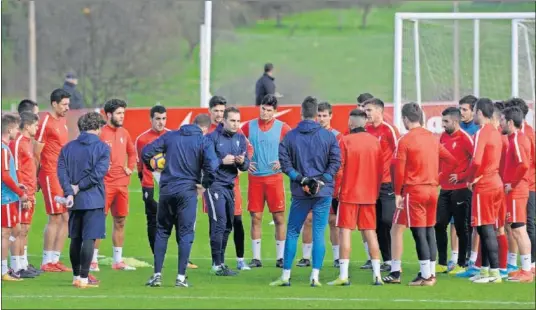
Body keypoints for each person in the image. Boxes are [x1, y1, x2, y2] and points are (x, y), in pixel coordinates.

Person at [270, 96, 341, 287]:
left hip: (301, 191)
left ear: (301, 113)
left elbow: (284, 163)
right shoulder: (328, 136)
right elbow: (335, 162)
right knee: (319, 232)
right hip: (322, 192)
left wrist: (301, 179)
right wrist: (322, 180)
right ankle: (315, 276)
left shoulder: (290, 136)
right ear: (316, 115)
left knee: (293, 231)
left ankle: (285, 276)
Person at [142, 114, 218, 287]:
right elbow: (212, 165)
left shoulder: (171, 135)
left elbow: (146, 152)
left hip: (167, 190)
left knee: (162, 231)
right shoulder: (203, 141)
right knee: (185, 234)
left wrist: (153, 167)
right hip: (188, 191)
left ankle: (157, 275)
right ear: (204, 129)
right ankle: (181, 278)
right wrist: (205, 183)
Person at [392, 103, 456, 286]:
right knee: (429, 231)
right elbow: (451, 160)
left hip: (415, 190)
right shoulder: (433, 138)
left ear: (405, 119)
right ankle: (430, 273)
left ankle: (426, 277)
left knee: (418, 232)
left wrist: (397, 193)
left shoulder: (405, 140)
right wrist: (438, 176)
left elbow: (399, 170)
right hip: (432, 191)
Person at [328, 109, 383, 286]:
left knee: (345, 231)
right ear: (365, 123)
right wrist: (374, 191)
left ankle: (343, 275)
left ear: (351, 123)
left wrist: (336, 191)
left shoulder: (344, 140)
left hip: (349, 194)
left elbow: (339, 169)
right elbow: (380, 170)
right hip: (368, 195)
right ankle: (377, 275)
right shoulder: (375, 142)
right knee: (370, 232)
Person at [57, 112, 109, 288]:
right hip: (93, 198)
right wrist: (79, 187)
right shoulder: (102, 148)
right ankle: (84, 279)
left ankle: (76, 276)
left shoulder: (67, 147)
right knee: (89, 238)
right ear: (97, 127)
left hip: (74, 200)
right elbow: (98, 174)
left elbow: (61, 172)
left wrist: (69, 191)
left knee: (75, 238)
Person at [242, 94, 291, 268]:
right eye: (263, 108)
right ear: (259, 107)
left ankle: (280, 257)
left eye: (269, 110)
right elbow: (238, 144)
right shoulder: (248, 126)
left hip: (274, 180)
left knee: (278, 217)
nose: (265, 113)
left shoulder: (283, 128)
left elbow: (294, 147)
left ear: (275, 112)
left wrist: (284, 163)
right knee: (256, 217)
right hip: (255, 179)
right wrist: (246, 163)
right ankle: (256, 258)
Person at [204, 95, 252, 271]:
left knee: (228, 225)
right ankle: (216, 264)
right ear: (223, 121)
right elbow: (207, 163)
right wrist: (222, 161)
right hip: (215, 185)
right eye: (232, 120)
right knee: (219, 223)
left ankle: (221, 262)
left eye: (238, 121)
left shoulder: (240, 138)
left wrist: (241, 162)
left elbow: (246, 164)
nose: (235, 124)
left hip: (230, 186)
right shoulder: (211, 138)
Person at [92, 99, 136, 271]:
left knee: (120, 221)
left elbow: (132, 153)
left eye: (123, 113)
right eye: (119, 113)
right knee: (98, 222)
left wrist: (129, 167)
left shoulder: (125, 133)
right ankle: (93, 260)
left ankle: (118, 261)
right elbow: (91, 155)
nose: (122, 116)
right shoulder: (100, 133)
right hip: (105, 185)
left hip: (122, 186)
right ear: (109, 114)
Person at [297, 102, 342, 268]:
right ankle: (306, 257)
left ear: (331, 116)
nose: (322, 119)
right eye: (319, 116)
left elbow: (339, 162)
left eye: (325, 115)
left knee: (332, 221)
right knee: (308, 220)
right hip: (311, 182)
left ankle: (337, 257)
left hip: (330, 184)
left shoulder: (337, 136)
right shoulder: (310, 134)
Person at [464, 98, 504, 284]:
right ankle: (486, 270)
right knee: (483, 227)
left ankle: (494, 273)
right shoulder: (496, 132)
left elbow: (477, 161)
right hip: (494, 182)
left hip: (485, 185)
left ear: (479, 112)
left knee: (486, 228)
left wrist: (470, 178)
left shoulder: (482, 132)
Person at [434, 107, 474, 275]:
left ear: (456, 121)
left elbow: (476, 160)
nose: (443, 125)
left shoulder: (466, 138)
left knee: (461, 227)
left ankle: (462, 263)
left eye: (446, 121)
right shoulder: (442, 137)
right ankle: (442, 263)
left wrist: (462, 175)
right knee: (439, 224)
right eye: (442, 121)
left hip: (461, 189)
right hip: (445, 189)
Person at [36, 88, 72, 272]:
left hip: (61, 174)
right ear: (54, 104)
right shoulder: (45, 122)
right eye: (64, 104)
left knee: (66, 216)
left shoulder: (63, 121)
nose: (67, 107)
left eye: (68, 104)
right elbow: (36, 151)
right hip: (49, 174)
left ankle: (55, 259)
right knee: (55, 216)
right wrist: (35, 177)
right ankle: (46, 261)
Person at [363, 98, 400, 272]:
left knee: (387, 220)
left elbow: (399, 153)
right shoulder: (365, 130)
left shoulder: (389, 130)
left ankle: (394, 259)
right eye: (365, 110)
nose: (366, 113)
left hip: (388, 184)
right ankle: (385, 260)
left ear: (379, 110)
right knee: (375, 223)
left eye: (369, 110)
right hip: (370, 184)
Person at [499, 107, 534, 283]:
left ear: (511, 123)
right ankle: (525, 268)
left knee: (519, 229)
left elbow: (523, 165)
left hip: (517, 191)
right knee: (516, 228)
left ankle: (527, 271)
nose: (500, 123)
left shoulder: (517, 140)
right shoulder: (515, 139)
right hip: (517, 190)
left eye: (503, 120)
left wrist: (511, 183)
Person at [9, 112, 41, 278]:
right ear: (27, 126)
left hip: (30, 191)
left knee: (25, 229)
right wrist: (22, 193)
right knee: (19, 229)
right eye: (35, 125)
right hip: (22, 193)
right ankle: (16, 266)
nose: (37, 128)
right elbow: (15, 170)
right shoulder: (18, 143)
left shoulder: (28, 142)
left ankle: (23, 263)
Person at [134, 105, 170, 255]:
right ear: (151, 119)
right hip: (149, 184)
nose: (161, 122)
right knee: (153, 219)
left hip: (168, 184)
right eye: (157, 119)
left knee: (174, 220)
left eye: (163, 119)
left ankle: (184, 256)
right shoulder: (142, 139)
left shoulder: (171, 136)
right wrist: (144, 183)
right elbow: (140, 166)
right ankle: (157, 254)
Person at [2, 114, 27, 281]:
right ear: (9, 129)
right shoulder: (3, 149)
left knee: (16, 230)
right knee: (5, 233)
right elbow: (4, 176)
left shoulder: (5, 147)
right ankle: (3, 271)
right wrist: (20, 193)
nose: (18, 132)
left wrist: (18, 185)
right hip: (6, 198)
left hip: (10, 195)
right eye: (17, 128)